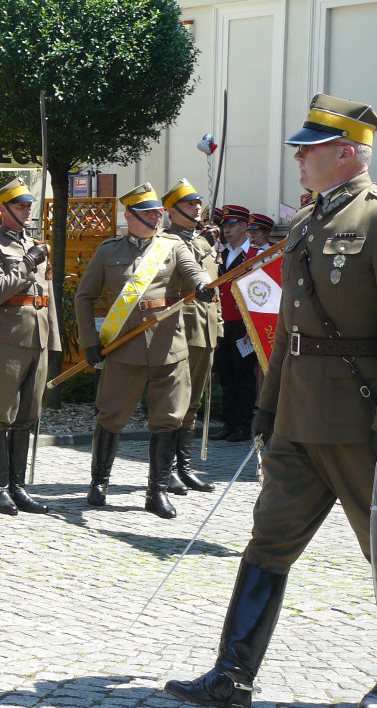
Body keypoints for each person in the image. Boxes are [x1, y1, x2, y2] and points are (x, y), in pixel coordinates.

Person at [165, 94, 377, 708]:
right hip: (298, 419)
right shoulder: (305, 224)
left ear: (346, 153)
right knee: (268, 541)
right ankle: (232, 675)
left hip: (358, 422)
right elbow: (289, 333)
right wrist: (269, 409)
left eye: (309, 149)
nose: (297, 157)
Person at [75, 183, 213, 519]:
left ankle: (157, 492)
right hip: (125, 350)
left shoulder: (172, 246)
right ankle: (100, 482)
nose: (156, 217)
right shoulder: (108, 251)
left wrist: (202, 284)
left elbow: (193, 270)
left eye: (158, 212)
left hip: (169, 349)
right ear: (130, 216)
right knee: (111, 416)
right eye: (149, 213)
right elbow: (84, 296)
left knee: (168, 420)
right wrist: (89, 341)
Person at [0, 178, 60, 515]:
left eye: (28, 204)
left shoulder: (35, 244)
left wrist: (54, 340)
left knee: (27, 416)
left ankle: (18, 488)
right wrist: (29, 262)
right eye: (21, 205)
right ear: (3, 209)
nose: (27, 210)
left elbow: (47, 296)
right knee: (0, 414)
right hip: (7, 337)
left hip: (38, 337)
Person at [162, 179, 221, 494]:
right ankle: (166, 470)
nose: (197, 208)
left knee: (193, 403)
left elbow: (214, 287)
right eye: (189, 204)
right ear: (172, 211)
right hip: (182, 329)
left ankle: (185, 468)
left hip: (205, 330)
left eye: (198, 203)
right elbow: (189, 273)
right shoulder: (168, 240)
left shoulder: (202, 239)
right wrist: (206, 244)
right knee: (175, 402)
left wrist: (218, 325)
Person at [211, 204, 259, 442]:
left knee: (244, 376)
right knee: (226, 375)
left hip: (243, 323)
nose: (226, 230)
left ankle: (243, 425)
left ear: (243, 227)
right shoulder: (218, 253)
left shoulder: (257, 254)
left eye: (231, 226)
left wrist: (253, 326)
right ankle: (228, 424)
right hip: (222, 321)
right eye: (224, 226)